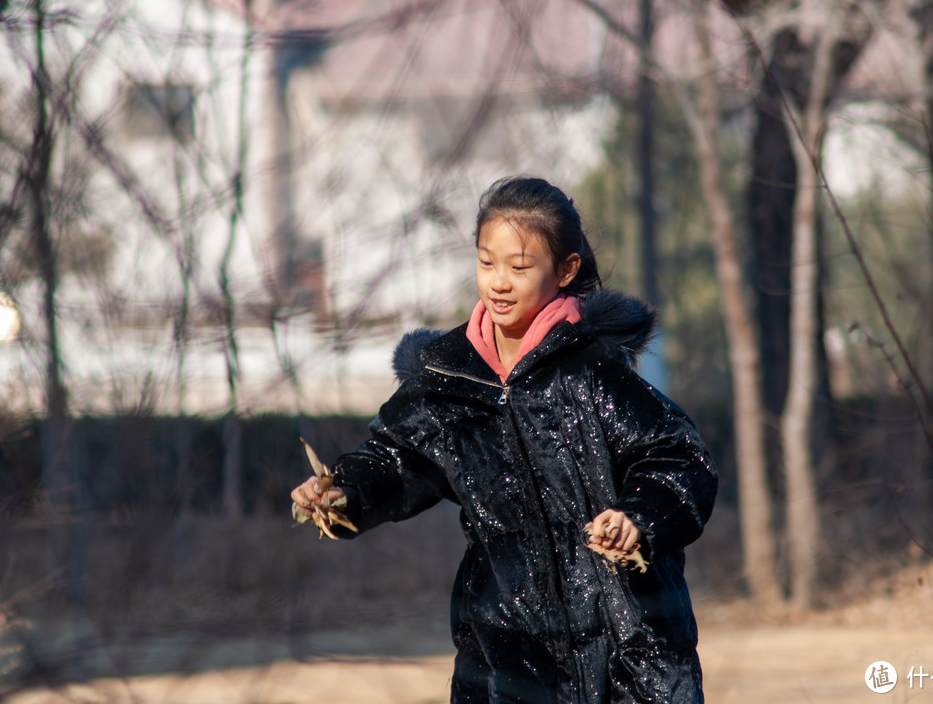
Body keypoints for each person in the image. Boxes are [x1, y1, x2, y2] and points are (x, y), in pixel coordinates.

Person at [291, 176, 717, 703]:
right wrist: (341, 492)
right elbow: (395, 459)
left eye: (519, 267)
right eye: (486, 262)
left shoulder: (593, 369)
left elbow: (678, 458)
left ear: (565, 270)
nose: (498, 282)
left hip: (630, 651)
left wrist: (637, 517)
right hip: (506, 660)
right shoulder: (450, 379)